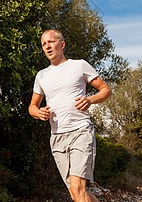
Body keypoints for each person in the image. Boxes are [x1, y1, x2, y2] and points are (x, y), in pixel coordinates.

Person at [29, 29, 112, 202]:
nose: (47, 46)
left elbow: (106, 90)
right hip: (57, 137)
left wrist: (90, 100)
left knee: (77, 187)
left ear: (62, 44)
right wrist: (39, 113)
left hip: (80, 131)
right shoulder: (41, 75)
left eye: (51, 42)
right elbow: (32, 107)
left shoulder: (79, 65)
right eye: (44, 44)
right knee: (76, 194)